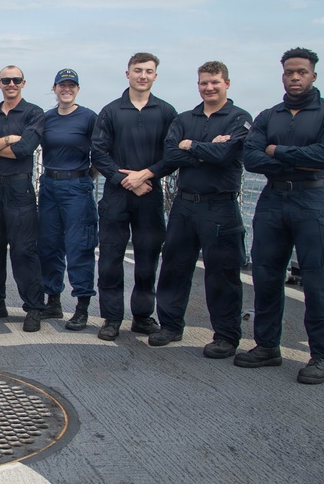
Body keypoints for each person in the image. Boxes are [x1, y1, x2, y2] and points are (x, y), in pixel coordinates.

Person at [237, 47, 324, 384]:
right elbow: (251, 158)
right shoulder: (269, 116)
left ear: (313, 75)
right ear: (282, 75)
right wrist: (294, 157)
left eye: (301, 72)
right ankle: (267, 346)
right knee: (267, 275)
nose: (295, 77)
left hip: (313, 200)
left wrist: (277, 150)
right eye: (289, 72)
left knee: (318, 280)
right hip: (273, 200)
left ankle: (322, 355)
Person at [149, 61, 252, 357]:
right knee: (174, 266)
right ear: (198, 85)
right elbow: (169, 153)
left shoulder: (239, 118)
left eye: (215, 82)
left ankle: (226, 335)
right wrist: (207, 149)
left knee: (222, 272)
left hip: (219, 205)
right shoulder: (184, 117)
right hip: (184, 204)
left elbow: (227, 153)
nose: (209, 87)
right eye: (204, 83)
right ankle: (169, 325)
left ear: (227, 84)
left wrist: (191, 146)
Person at [91, 52, 177, 341]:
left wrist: (147, 174)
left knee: (147, 258)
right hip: (117, 195)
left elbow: (172, 155)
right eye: (137, 70)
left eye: (148, 71)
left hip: (150, 195)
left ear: (155, 76)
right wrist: (126, 179)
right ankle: (112, 318)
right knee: (110, 258)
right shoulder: (111, 111)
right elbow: (99, 153)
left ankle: (142, 315)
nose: (143, 75)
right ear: (127, 74)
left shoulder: (166, 112)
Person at [0, 65, 46, 332]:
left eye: (16, 80)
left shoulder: (34, 113)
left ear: (23, 83)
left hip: (19, 189)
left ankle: (34, 307)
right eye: (6, 80)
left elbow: (25, 149)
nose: (11, 83)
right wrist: (7, 140)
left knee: (24, 250)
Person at [38, 69, 98, 331]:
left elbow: (102, 151)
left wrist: (84, 178)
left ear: (77, 89)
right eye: (62, 85)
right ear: (54, 89)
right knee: (49, 246)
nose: (67, 89)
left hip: (76, 185)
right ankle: (53, 301)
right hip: (49, 184)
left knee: (79, 246)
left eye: (72, 85)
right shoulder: (46, 118)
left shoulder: (88, 118)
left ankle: (82, 306)